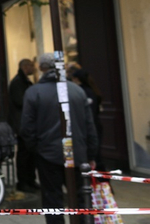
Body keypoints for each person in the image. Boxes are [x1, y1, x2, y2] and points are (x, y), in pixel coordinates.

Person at [21, 53, 99, 224]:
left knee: (52, 199)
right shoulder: (77, 90)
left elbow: (27, 128)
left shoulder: (34, 92)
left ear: (42, 68)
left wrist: (36, 149)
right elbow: (89, 126)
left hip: (49, 153)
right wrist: (91, 154)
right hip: (75, 151)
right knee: (80, 198)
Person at [8, 58, 39, 192]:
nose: (34, 68)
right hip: (21, 124)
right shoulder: (18, 82)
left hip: (25, 123)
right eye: (32, 66)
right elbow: (21, 102)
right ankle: (24, 181)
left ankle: (30, 180)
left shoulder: (24, 81)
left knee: (30, 154)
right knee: (24, 154)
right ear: (25, 67)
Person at [71, 68, 104, 168]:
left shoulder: (81, 92)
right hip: (95, 125)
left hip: (89, 127)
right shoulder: (92, 90)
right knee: (96, 154)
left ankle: (100, 180)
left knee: (94, 156)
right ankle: (102, 181)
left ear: (76, 79)